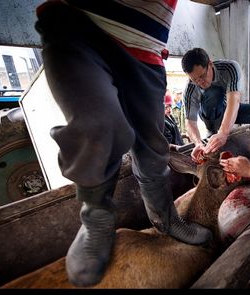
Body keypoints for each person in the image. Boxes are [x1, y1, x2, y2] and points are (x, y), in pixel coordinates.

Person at [34, 0, 211, 287]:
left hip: (147, 53)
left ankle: (166, 220)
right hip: (79, 29)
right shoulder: (191, 90)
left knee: (153, 150)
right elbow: (191, 121)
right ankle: (96, 221)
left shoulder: (227, 73)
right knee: (98, 125)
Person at [181, 48, 250, 161]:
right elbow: (190, 122)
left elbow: (234, 101)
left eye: (202, 76)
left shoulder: (229, 68)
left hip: (231, 109)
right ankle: (213, 130)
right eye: (194, 79)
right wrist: (198, 143)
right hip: (211, 116)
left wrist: (223, 133)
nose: (200, 82)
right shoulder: (190, 88)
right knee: (213, 92)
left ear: (210, 64)